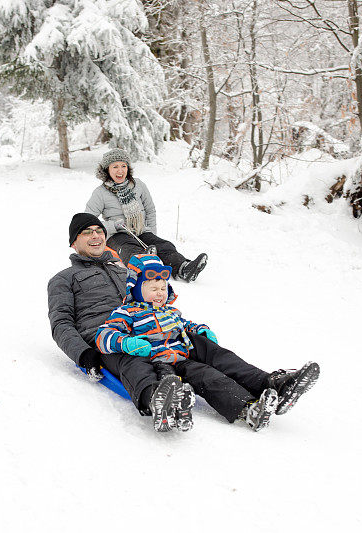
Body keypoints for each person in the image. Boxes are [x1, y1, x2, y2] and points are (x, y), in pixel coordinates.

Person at [47, 212, 320, 432]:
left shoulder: (124, 271)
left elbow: (155, 296)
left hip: (154, 327)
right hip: (112, 340)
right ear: (74, 242)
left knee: (205, 347)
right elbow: (60, 323)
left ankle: (271, 385)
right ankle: (159, 399)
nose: (95, 236)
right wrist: (84, 355)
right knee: (135, 363)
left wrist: (184, 326)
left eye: (99, 231)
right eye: (87, 233)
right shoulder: (63, 279)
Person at [95, 254, 287, 432]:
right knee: (165, 381)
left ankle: (249, 408)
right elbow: (104, 335)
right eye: (153, 289)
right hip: (153, 361)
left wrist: (201, 330)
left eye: (163, 288)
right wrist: (126, 343)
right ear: (136, 288)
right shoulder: (127, 312)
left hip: (181, 359)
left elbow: (187, 325)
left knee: (210, 377)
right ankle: (165, 405)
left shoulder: (171, 312)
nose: (160, 293)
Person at [85, 148, 208, 283]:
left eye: (123, 166)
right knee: (128, 247)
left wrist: (151, 234)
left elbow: (150, 210)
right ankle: (145, 264)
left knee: (164, 245)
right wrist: (113, 226)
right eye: (115, 167)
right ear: (107, 170)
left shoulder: (138, 185)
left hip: (140, 230)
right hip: (117, 234)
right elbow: (88, 221)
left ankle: (184, 269)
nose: (120, 171)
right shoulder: (100, 193)